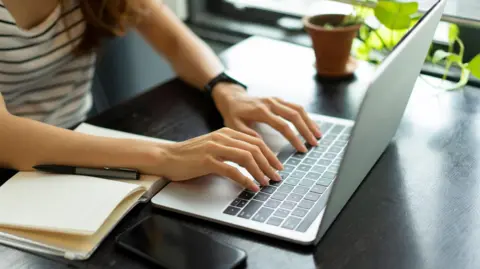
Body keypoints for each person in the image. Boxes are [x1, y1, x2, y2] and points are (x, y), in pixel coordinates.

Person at [0, 0, 321, 192]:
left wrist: (226, 89)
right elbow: (6, 138)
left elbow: (173, 39)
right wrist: (167, 156)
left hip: (80, 136)